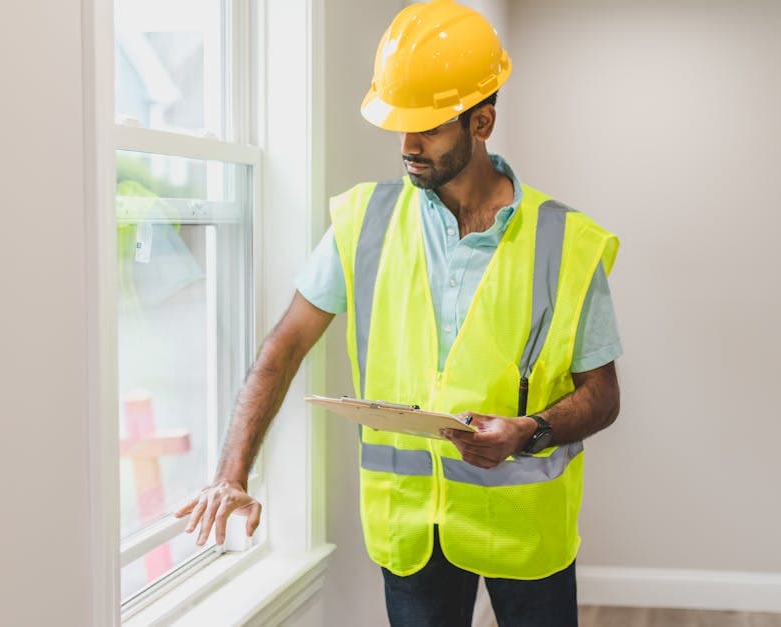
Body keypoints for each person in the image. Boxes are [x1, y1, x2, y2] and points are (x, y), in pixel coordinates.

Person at [177, 1, 622, 624]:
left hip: (525, 531)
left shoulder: (568, 242)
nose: (408, 145)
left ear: (482, 122)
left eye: (430, 127)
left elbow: (602, 394)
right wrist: (231, 474)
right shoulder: (364, 222)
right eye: (400, 126)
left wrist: (531, 431)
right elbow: (283, 348)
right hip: (410, 533)